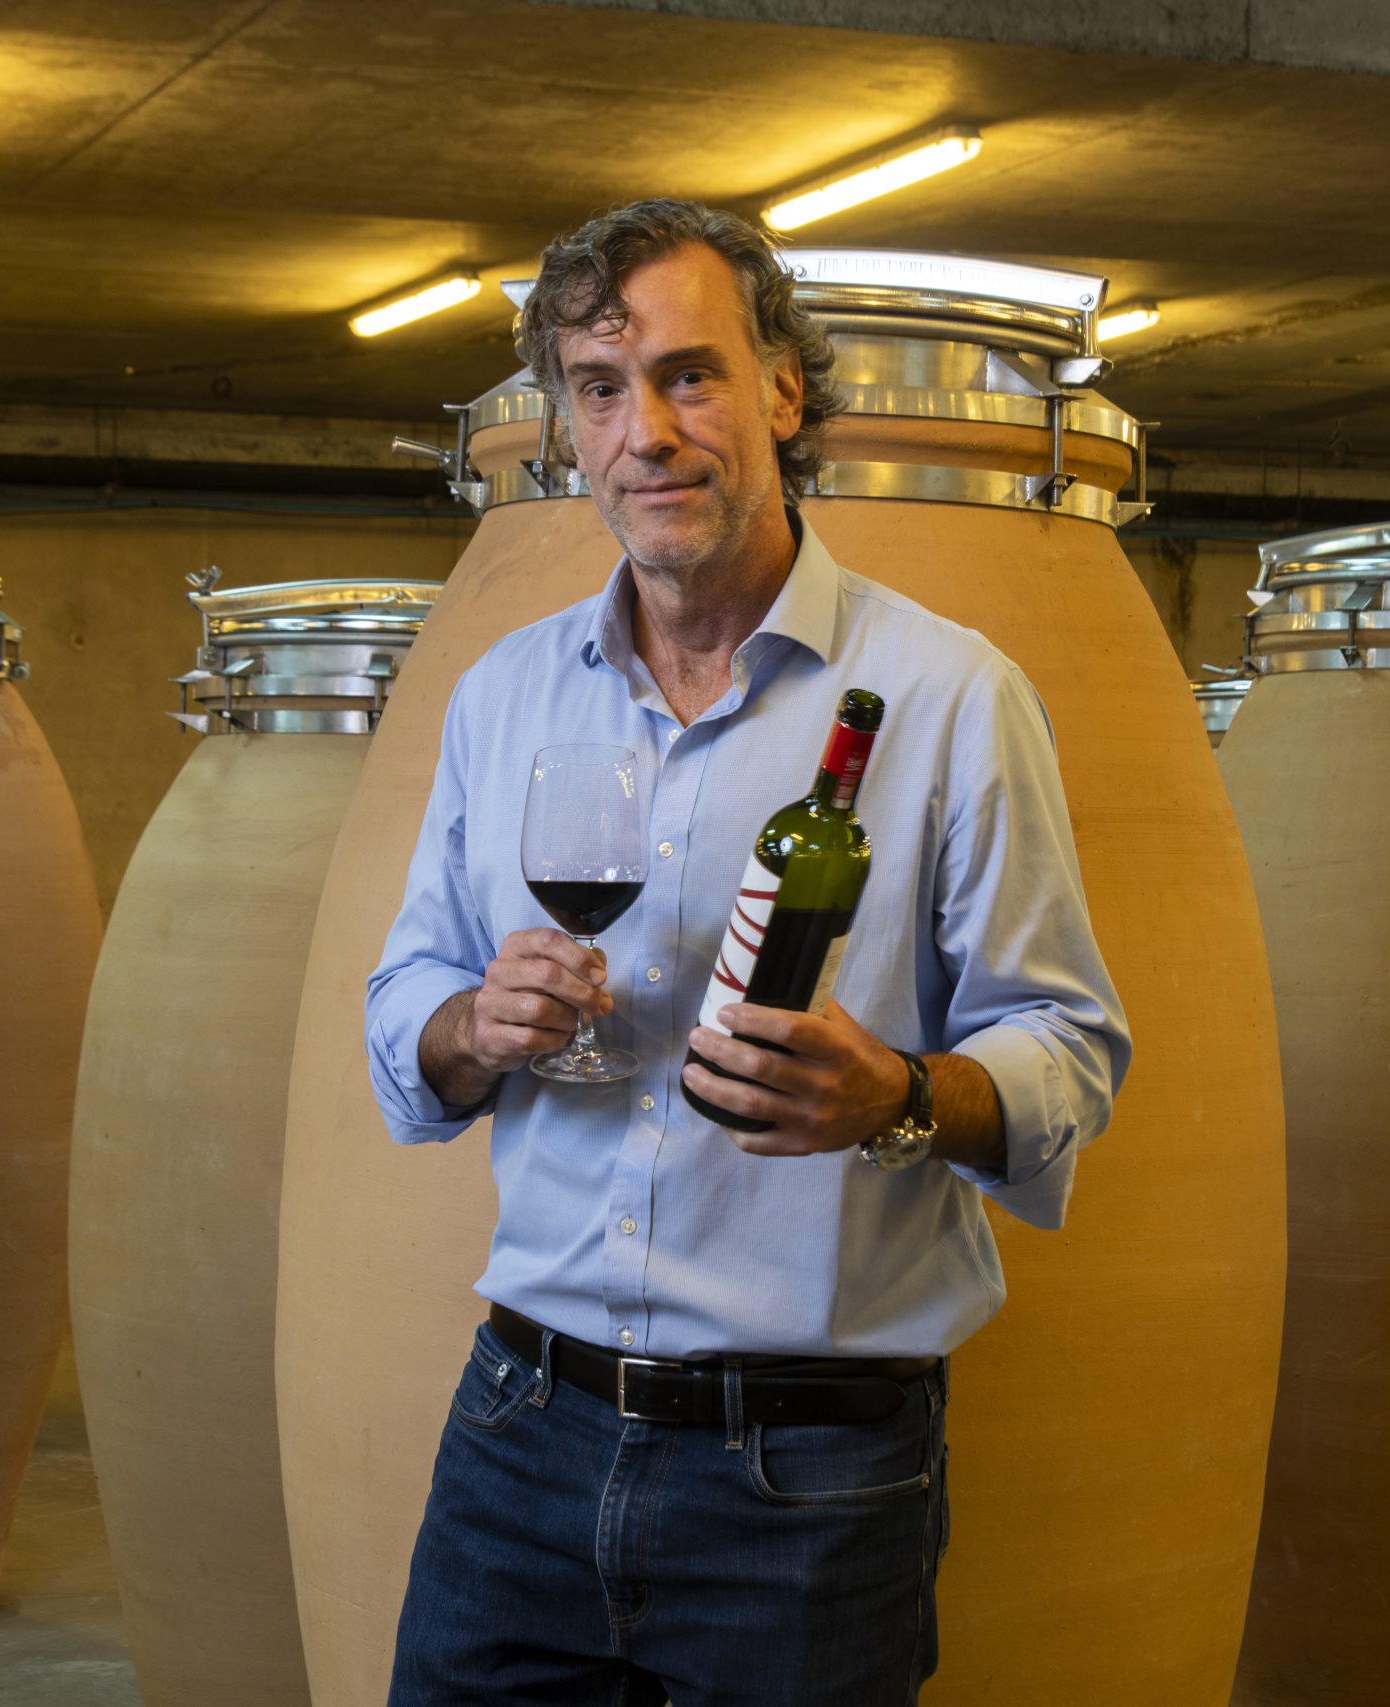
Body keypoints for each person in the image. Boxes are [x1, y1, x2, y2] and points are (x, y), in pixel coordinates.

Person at [365, 199, 1131, 1707]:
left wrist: (900, 1097)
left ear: (784, 390)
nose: (645, 430)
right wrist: (477, 1022)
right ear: (571, 426)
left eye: (689, 375)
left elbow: (1068, 1044)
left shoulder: (952, 697)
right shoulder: (505, 697)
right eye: (600, 387)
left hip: (811, 1477)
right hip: (519, 1431)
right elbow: (408, 1005)